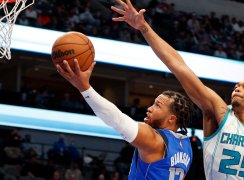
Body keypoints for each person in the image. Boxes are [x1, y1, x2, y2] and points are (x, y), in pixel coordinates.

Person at [110, 0, 244, 179]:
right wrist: (144, 28)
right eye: (237, 85)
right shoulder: (218, 111)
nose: (238, 88)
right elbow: (179, 66)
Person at [56, 60, 194, 179]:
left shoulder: (155, 139)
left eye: (158, 105)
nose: (149, 108)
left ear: (171, 119)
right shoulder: (187, 147)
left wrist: (84, 87)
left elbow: (117, 119)